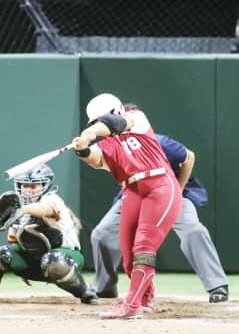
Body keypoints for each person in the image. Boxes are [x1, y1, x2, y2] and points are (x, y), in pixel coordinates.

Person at [90, 118, 229, 305]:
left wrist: (177, 191)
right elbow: (94, 159)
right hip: (134, 196)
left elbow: (188, 157)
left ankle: (217, 285)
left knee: (194, 230)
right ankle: (104, 287)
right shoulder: (112, 146)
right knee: (102, 233)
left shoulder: (157, 141)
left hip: (167, 192)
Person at [73, 93, 182, 319]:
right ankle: (145, 296)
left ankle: (131, 305)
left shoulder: (136, 118)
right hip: (132, 191)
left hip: (159, 184)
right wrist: (82, 148)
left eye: (99, 120)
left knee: (144, 247)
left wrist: (91, 133)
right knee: (128, 256)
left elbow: (117, 124)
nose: (97, 125)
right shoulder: (108, 144)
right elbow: (95, 158)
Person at [0, 164, 99, 304]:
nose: (28, 190)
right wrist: (17, 261)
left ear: (46, 185)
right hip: (34, 261)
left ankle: (85, 291)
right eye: (25, 185)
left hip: (66, 259)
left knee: (54, 260)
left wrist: (23, 209)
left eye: (34, 186)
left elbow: (46, 209)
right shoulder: (16, 207)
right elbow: (14, 242)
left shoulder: (52, 199)